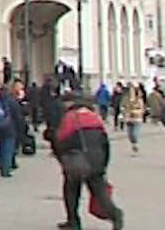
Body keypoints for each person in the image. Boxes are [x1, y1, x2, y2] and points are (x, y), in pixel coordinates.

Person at [52, 95, 123, 230]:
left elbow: (61, 140)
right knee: (99, 191)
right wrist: (104, 163)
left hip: (77, 161)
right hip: (97, 160)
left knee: (71, 190)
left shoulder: (70, 118)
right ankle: (115, 215)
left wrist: (61, 158)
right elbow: (105, 142)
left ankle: (73, 222)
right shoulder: (94, 117)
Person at [0, 84, 25, 177]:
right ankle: (6, 170)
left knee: (0, 148)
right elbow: (18, 117)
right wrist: (20, 129)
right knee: (8, 149)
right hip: (10, 129)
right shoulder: (12, 102)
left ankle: (1, 164)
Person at [121, 84, 145, 154]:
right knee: (129, 134)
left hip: (137, 119)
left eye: (133, 91)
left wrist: (135, 111)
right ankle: (133, 144)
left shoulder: (139, 100)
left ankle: (135, 144)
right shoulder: (125, 99)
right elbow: (122, 107)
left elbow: (142, 109)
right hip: (128, 118)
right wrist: (123, 112)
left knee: (135, 133)